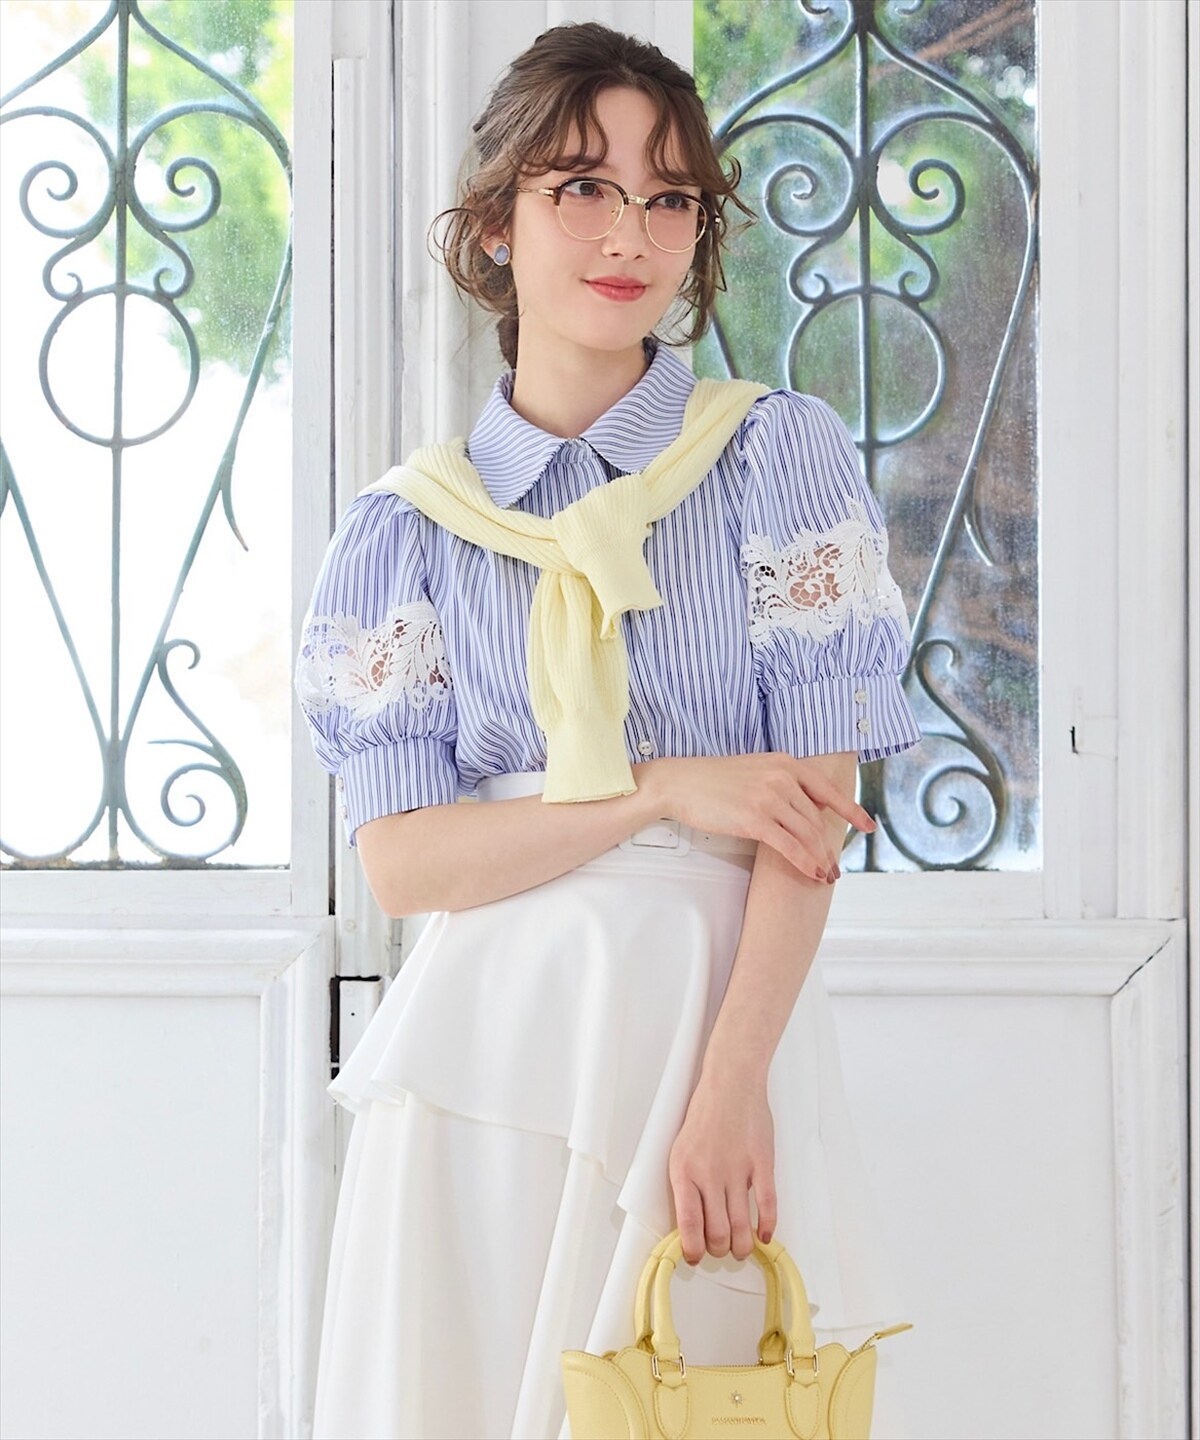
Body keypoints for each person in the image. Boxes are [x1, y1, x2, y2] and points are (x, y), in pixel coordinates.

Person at [295, 20, 922, 1440]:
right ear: (494, 223)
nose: (629, 232)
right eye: (581, 186)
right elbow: (404, 865)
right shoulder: (406, 529)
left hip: (704, 1033)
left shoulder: (773, 456)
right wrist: (658, 791)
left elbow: (811, 815)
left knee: (703, 1399)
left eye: (668, 195)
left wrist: (733, 1089)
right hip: (484, 1058)